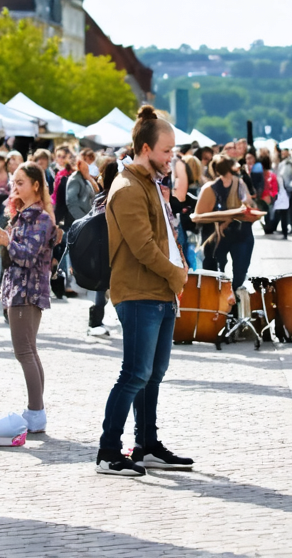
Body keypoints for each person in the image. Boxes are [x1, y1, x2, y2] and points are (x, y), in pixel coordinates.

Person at [97, 106, 193, 476]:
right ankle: (108, 451)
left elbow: (165, 236)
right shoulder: (126, 187)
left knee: (152, 374)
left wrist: (176, 272)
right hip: (139, 293)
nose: (172, 158)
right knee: (134, 374)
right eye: (167, 151)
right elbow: (143, 246)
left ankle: (146, 445)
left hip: (159, 292)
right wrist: (177, 275)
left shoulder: (149, 182)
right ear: (145, 148)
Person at [0, 162, 56, 434]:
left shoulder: (40, 218)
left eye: (21, 182)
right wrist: (4, 241)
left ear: (36, 185)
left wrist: (8, 242)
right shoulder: (24, 214)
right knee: (29, 351)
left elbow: (27, 256)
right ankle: (35, 410)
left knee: (24, 352)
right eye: (14, 182)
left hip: (27, 291)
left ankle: (36, 412)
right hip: (19, 289)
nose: (15, 187)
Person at [193, 155, 257, 293]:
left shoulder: (239, 184)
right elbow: (197, 217)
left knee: (239, 271)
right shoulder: (210, 188)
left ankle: (232, 298)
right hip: (217, 237)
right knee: (215, 273)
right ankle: (222, 301)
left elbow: (250, 205)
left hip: (240, 234)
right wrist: (228, 216)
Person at [85, 161, 121, 337]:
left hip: (100, 248)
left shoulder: (100, 197)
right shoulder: (116, 197)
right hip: (112, 248)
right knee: (111, 287)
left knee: (102, 287)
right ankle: (97, 322)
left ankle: (96, 322)